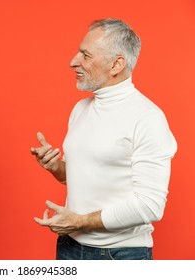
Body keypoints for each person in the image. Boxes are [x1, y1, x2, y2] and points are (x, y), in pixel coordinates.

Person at [31, 18, 177, 260]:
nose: (73, 61)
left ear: (116, 64)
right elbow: (82, 176)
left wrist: (80, 221)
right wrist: (56, 167)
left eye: (85, 55)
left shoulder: (148, 118)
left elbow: (151, 205)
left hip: (120, 255)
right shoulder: (81, 108)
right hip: (69, 246)